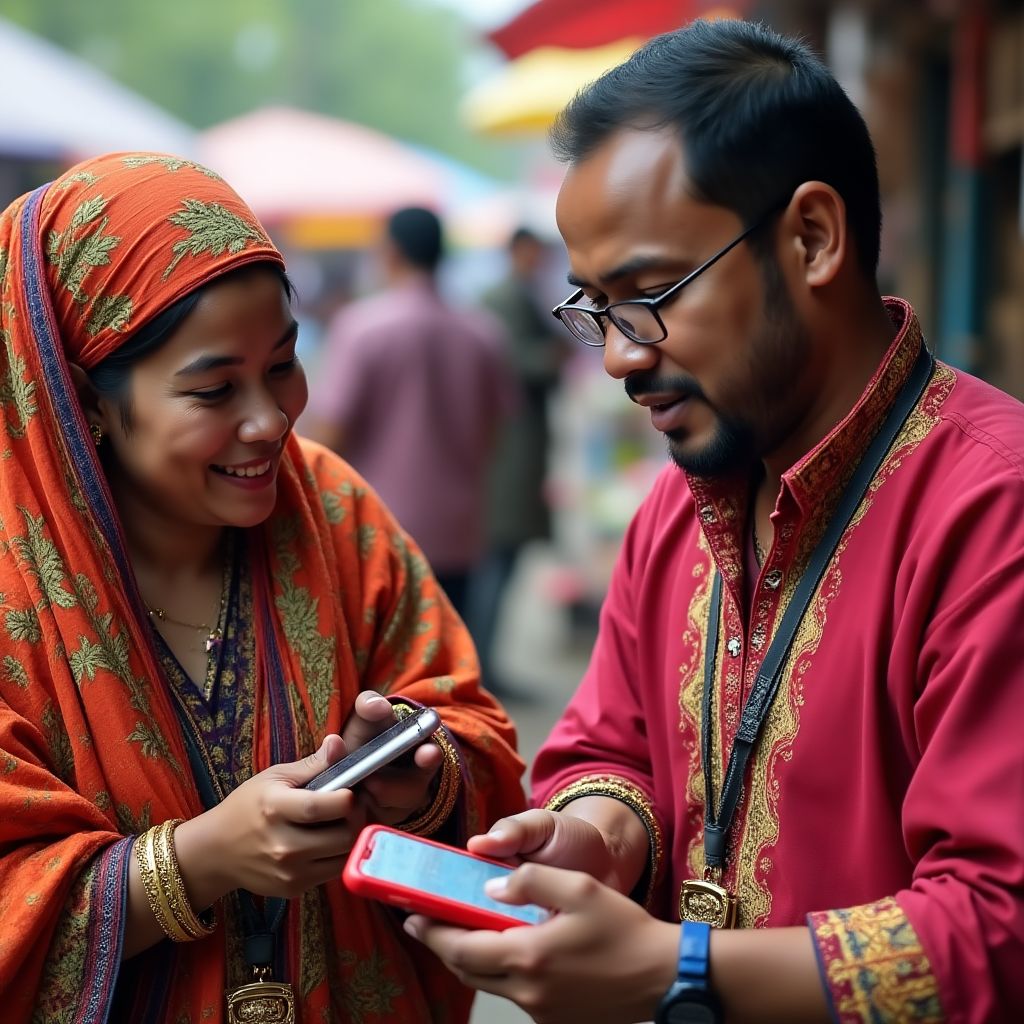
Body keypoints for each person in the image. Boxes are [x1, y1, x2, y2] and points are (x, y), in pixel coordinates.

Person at [405, 19, 1024, 1024]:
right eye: (595, 307)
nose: (617, 356)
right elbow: (605, 745)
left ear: (813, 237)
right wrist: (596, 836)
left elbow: (1000, 925)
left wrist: (676, 966)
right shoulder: (680, 506)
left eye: (650, 295)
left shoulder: (994, 510)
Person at [0, 152, 526, 1022]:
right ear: (88, 401)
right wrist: (197, 861)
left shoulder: (335, 511)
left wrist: (417, 776)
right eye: (214, 389)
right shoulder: (19, 581)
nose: (271, 419)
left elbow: (473, 726)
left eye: (283, 364)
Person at [301, 207, 514, 619]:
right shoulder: (483, 332)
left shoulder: (361, 327)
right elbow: (493, 434)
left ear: (390, 252)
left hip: (375, 529)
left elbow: (330, 433)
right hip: (459, 529)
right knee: (448, 663)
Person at [468, 226, 568, 694]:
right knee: (496, 561)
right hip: (508, 455)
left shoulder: (519, 295)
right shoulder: (503, 298)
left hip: (516, 454)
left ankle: (486, 663)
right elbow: (510, 365)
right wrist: (550, 356)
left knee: (503, 563)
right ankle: (481, 665)